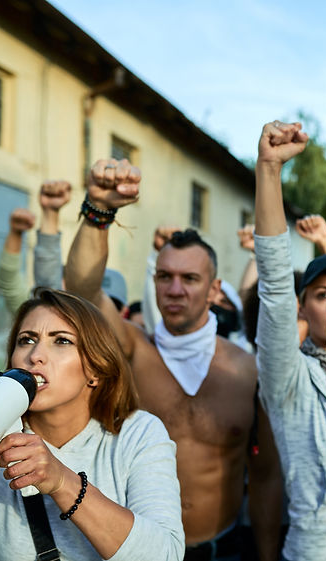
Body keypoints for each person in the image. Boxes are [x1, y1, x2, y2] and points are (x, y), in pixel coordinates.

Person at [64, 160, 281, 561]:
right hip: (136, 548)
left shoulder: (248, 370)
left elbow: (266, 476)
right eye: (165, 277)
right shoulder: (131, 350)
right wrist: (98, 211)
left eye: (190, 279)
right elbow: (83, 292)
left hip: (224, 550)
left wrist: (267, 556)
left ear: (214, 288)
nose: (175, 290)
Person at [0, 288, 183, 560]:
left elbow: (166, 554)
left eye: (61, 341)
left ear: (95, 368)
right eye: (26, 340)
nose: (35, 355)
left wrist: (62, 482)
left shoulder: (138, 433)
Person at [253, 124, 326, 560]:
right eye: (323, 295)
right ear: (302, 309)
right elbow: (274, 285)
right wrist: (269, 169)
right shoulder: (289, 379)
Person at [0, 180, 72, 314]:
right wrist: (16, 234)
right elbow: (9, 281)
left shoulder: (84, 316)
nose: (59, 291)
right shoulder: (33, 308)